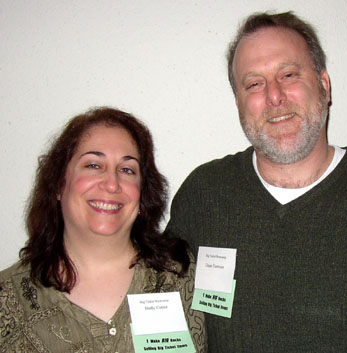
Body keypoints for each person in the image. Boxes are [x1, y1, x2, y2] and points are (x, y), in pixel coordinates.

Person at [165, 11, 347, 352]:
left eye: (288, 74)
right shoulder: (204, 195)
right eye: (254, 83)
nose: (274, 96)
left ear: (324, 86)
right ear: (239, 102)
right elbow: (155, 304)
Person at [0, 107, 206, 352]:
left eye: (127, 170)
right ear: (58, 185)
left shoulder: (182, 279)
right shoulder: (8, 298)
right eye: (93, 165)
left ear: (142, 195)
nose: (111, 184)